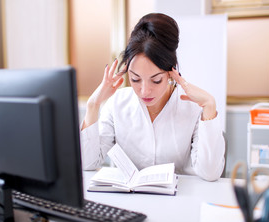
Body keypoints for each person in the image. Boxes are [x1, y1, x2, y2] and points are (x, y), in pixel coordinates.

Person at [80, 13, 225, 181]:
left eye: (156, 80)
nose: (144, 91)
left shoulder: (191, 107)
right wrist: (93, 104)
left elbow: (210, 173)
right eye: (135, 79)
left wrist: (209, 105)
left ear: (171, 73)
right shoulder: (117, 103)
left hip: (178, 201)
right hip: (128, 201)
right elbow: (87, 163)